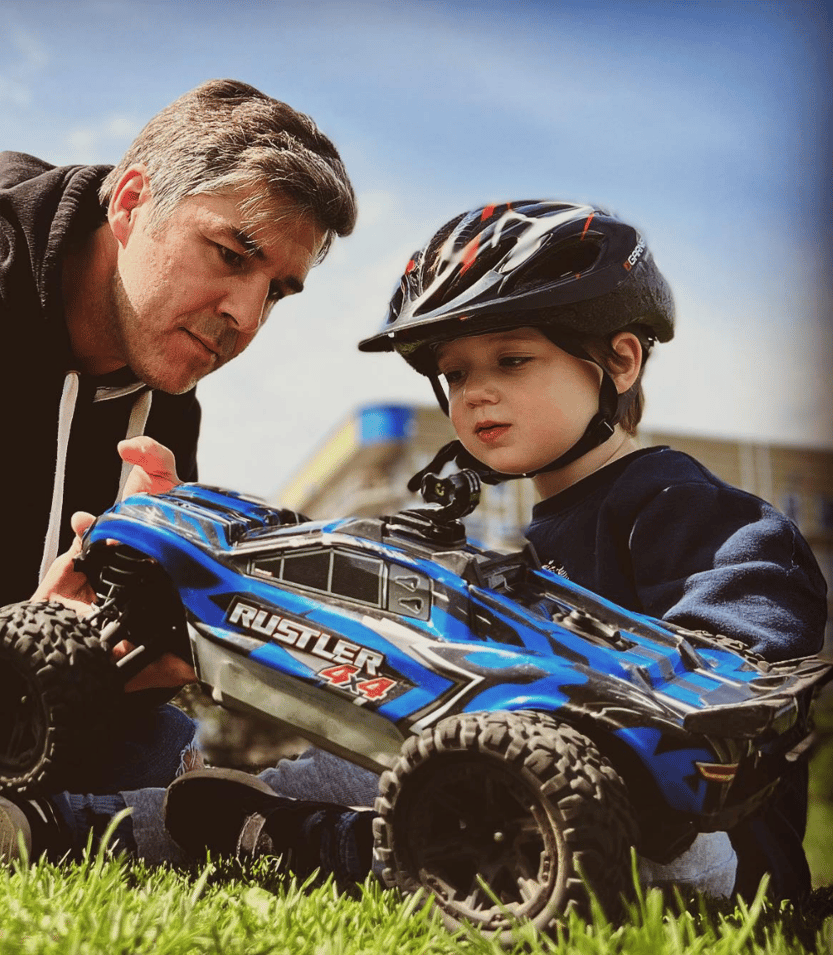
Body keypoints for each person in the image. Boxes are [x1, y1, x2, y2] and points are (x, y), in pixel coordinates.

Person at [162, 200, 828, 904]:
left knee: (470, 791)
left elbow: (738, 696)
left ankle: (310, 840)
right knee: (323, 764)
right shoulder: (525, 552)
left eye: (512, 359)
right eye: (454, 374)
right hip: (514, 787)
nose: (476, 393)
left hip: (708, 860)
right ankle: (71, 817)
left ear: (621, 360)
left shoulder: (706, 517)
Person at [0, 78, 359, 843]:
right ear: (130, 200)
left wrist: (157, 633)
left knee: (239, 787)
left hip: (21, 741)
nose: (246, 317)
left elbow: (110, 674)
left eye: (278, 292)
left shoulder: (168, 397)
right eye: (232, 255)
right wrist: (11, 641)